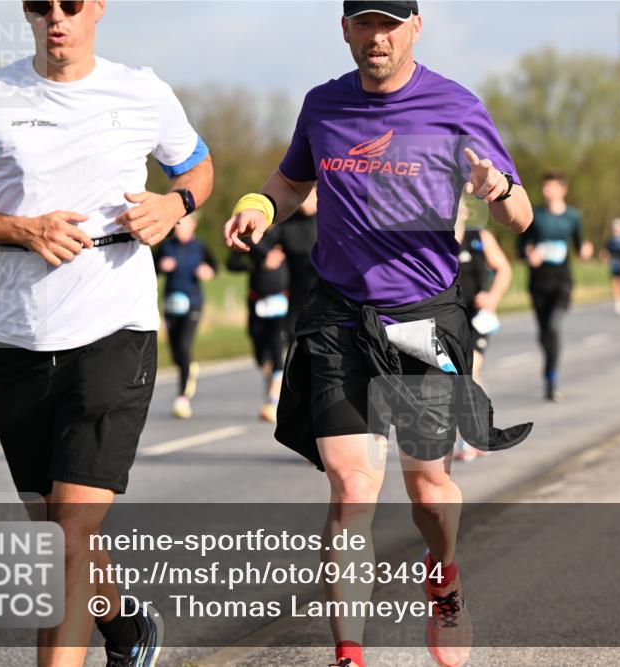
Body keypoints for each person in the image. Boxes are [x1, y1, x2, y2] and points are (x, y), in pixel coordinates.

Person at [222, 3, 533, 666]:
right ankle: (348, 653)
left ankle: (444, 580)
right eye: (364, 23)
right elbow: (290, 180)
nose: (377, 37)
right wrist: (258, 206)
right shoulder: (323, 105)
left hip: (423, 321)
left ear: (415, 26)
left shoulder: (455, 105)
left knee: (429, 490)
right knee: (352, 486)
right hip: (340, 318)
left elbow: (521, 215)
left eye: (390, 23)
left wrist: (496, 186)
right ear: (345, 29)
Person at [0, 2, 213, 665]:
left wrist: (174, 202)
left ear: (97, 8)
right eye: (40, 4)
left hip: (114, 329)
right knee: (59, 535)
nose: (56, 16)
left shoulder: (141, 89)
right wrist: (21, 228)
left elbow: (197, 167)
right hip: (16, 339)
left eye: (70, 3)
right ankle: (125, 628)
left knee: (68, 536)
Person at [518, 171, 593, 401]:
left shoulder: (573, 216)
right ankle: (549, 367)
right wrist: (529, 254)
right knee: (543, 334)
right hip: (539, 281)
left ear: (562, 190)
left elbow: (580, 244)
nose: (546, 191)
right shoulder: (535, 215)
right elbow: (522, 244)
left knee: (553, 326)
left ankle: (551, 379)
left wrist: (585, 250)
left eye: (551, 187)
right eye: (544, 187)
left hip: (562, 281)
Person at [452, 198, 512, 462]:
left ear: (465, 211)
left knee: (469, 372)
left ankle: (469, 439)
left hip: (477, 318)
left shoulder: (480, 237)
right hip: (449, 320)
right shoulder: (434, 241)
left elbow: (504, 270)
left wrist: (492, 297)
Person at [156, 213, 217, 419]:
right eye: (178, 224)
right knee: (175, 351)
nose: (180, 227)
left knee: (184, 346)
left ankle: (182, 398)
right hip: (171, 303)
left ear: (194, 225)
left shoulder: (200, 247)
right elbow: (152, 269)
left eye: (184, 224)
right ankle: (188, 367)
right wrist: (161, 266)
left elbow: (214, 268)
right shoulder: (166, 246)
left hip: (193, 303)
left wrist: (207, 272)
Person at [227, 228, 291, 423]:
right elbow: (231, 263)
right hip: (257, 302)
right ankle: (272, 387)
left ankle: (273, 400)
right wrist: (257, 265)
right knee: (260, 353)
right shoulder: (249, 237)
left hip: (281, 301)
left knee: (277, 347)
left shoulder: (284, 234)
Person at [276, 187, 320, 346]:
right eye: (302, 197)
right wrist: (268, 256)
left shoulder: (331, 221)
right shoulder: (285, 223)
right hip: (296, 299)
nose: (305, 202)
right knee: (294, 339)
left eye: (309, 196)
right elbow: (263, 245)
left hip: (326, 298)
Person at [601, 218, 620, 314]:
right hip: (615, 263)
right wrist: (605, 258)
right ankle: (618, 300)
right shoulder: (611, 240)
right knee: (616, 281)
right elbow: (606, 252)